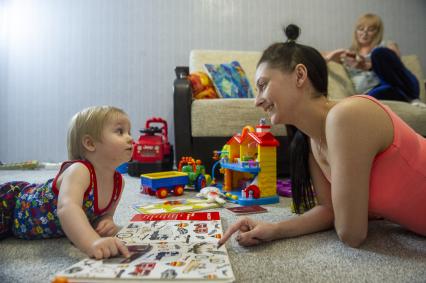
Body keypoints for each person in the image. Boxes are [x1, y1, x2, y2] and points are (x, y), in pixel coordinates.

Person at [218, 24, 426, 249]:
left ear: (299, 75)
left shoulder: (346, 116)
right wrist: (274, 230)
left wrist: (356, 212)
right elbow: (329, 210)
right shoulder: (312, 141)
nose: (257, 101)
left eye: (263, 85)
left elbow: (351, 234)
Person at [0, 106, 133, 259]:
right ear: (90, 143)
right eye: (120, 131)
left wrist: (106, 221)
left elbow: (105, 215)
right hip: (12, 205)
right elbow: (67, 207)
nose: (130, 138)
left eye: (129, 132)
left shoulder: (118, 183)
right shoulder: (79, 170)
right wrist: (92, 242)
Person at [323, 13, 424, 107]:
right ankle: (409, 98)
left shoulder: (387, 46)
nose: (364, 33)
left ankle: (412, 97)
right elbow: (315, 57)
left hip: (402, 84)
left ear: (377, 32)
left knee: (379, 53)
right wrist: (333, 54)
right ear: (355, 31)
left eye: (370, 30)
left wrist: (367, 65)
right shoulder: (348, 55)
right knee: (378, 93)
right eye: (361, 29)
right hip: (375, 92)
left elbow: (397, 70)